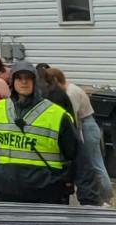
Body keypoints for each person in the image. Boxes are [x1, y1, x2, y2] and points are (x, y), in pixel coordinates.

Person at [0, 61, 79, 205]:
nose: (24, 82)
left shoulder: (56, 114)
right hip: (6, 196)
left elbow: (78, 157)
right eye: (19, 78)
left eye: (28, 78)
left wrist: (88, 202)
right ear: (12, 82)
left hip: (46, 198)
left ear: (35, 81)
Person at [44, 68, 109, 206]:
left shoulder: (71, 92)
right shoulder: (71, 88)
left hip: (87, 125)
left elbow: (70, 117)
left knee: (94, 163)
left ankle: (106, 197)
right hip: (86, 124)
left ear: (55, 80)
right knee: (95, 162)